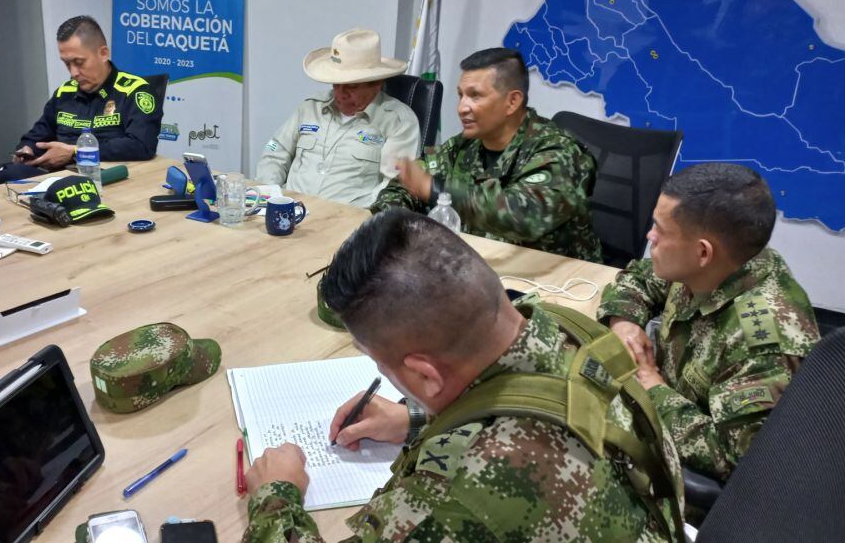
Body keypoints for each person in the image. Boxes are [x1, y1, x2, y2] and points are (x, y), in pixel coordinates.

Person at [242, 209, 685, 543]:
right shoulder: (571, 330)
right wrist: (417, 418)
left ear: (425, 375)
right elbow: (543, 400)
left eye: (377, 360)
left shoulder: (457, 496)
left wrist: (276, 495)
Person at [598, 163, 820, 482]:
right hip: (654, 416)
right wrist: (624, 322)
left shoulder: (763, 345)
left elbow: (734, 458)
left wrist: (653, 389)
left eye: (660, 230)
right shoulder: (719, 261)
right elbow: (639, 278)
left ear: (703, 252)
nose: (650, 236)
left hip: (681, 479)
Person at [371, 48, 602, 262]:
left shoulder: (560, 152)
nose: (462, 107)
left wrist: (435, 189)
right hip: (477, 270)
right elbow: (408, 182)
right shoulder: (465, 145)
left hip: (555, 285)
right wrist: (383, 222)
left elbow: (523, 214)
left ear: (512, 102)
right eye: (461, 95)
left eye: (475, 96)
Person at [255, 28, 420, 207]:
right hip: (288, 212)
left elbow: (394, 188)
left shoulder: (397, 122)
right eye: (336, 84)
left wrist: (356, 219)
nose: (340, 94)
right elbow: (275, 149)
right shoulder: (311, 108)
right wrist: (271, 195)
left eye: (351, 86)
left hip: (348, 224)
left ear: (377, 84)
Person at [0, 15, 162, 184]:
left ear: (103, 53)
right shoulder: (64, 93)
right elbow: (37, 135)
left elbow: (141, 145)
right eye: (67, 64)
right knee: (7, 174)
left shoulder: (135, 91)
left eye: (79, 62)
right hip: (58, 178)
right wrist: (27, 149)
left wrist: (76, 152)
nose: (73, 73)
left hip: (109, 179)